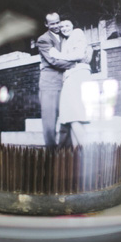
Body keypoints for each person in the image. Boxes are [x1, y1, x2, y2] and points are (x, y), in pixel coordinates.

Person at [49, 20, 93, 146]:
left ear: (73, 26)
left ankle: (87, 150)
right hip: (72, 76)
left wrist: (57, 55)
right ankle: (79, 153)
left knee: (73, 114)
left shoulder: (77, 33)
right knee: (71, 116)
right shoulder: (66, 41)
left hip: (78, 75)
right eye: (62, 26)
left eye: (67, 25)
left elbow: (79, 55)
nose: (64, 28)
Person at [36, 12, 75, 147]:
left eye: (57, 22)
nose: (56, 25)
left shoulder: (66, 36)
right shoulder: (43, 39)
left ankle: (64, 149)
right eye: (52, 23)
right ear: (46, 24)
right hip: (50, 84)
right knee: (50, 120)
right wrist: (76, 64)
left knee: (67, 116)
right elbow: (53, 60)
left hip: (66, 82)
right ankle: (51, 152)